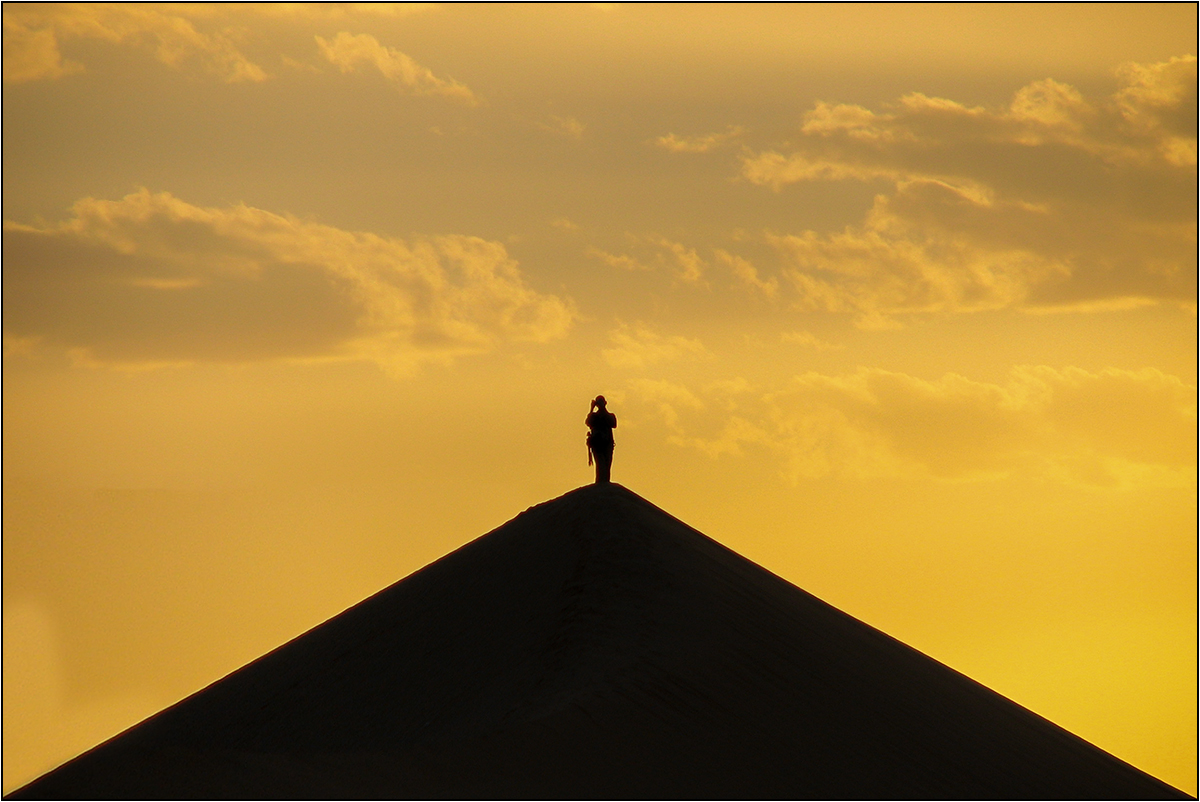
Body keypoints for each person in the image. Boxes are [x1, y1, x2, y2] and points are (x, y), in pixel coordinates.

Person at [586, 395, 617, 484]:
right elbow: (588, 422)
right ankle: (600, 483)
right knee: (600, 466)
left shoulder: (610, 415)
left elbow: (613, 424)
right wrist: (591, 409)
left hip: (607, 444)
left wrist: (603, 412)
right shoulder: (594, 416)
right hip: (597, 445)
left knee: (607, 466)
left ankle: (605, 483)